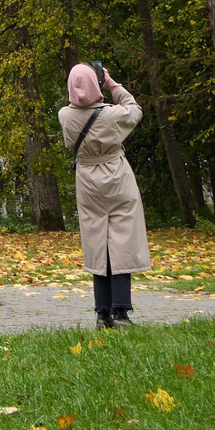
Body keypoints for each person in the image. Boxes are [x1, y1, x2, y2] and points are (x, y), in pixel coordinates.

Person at [60, 62, 149, 327]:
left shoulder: (65, 115)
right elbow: (135, 110)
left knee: (97, 242)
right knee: (122, 240)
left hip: (87, 180)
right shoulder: (111, 114)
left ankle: (101, 313)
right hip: (116, 176)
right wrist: (111, 84)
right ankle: (120, 312)